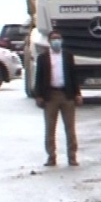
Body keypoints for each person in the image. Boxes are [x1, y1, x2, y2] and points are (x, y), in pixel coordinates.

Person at [35, 30, 83, 166]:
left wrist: (77, 94)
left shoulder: (67, 56)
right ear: (49, 42)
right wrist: (39, 95)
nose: (57, 41)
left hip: (67, 95)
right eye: (54, 39)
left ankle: (72, 156)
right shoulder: (43, 58)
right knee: (50, 127)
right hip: (51, 96)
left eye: (59, 38)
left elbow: (74, 76)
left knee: (70, 128)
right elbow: (39, 78)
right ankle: (51, 156)